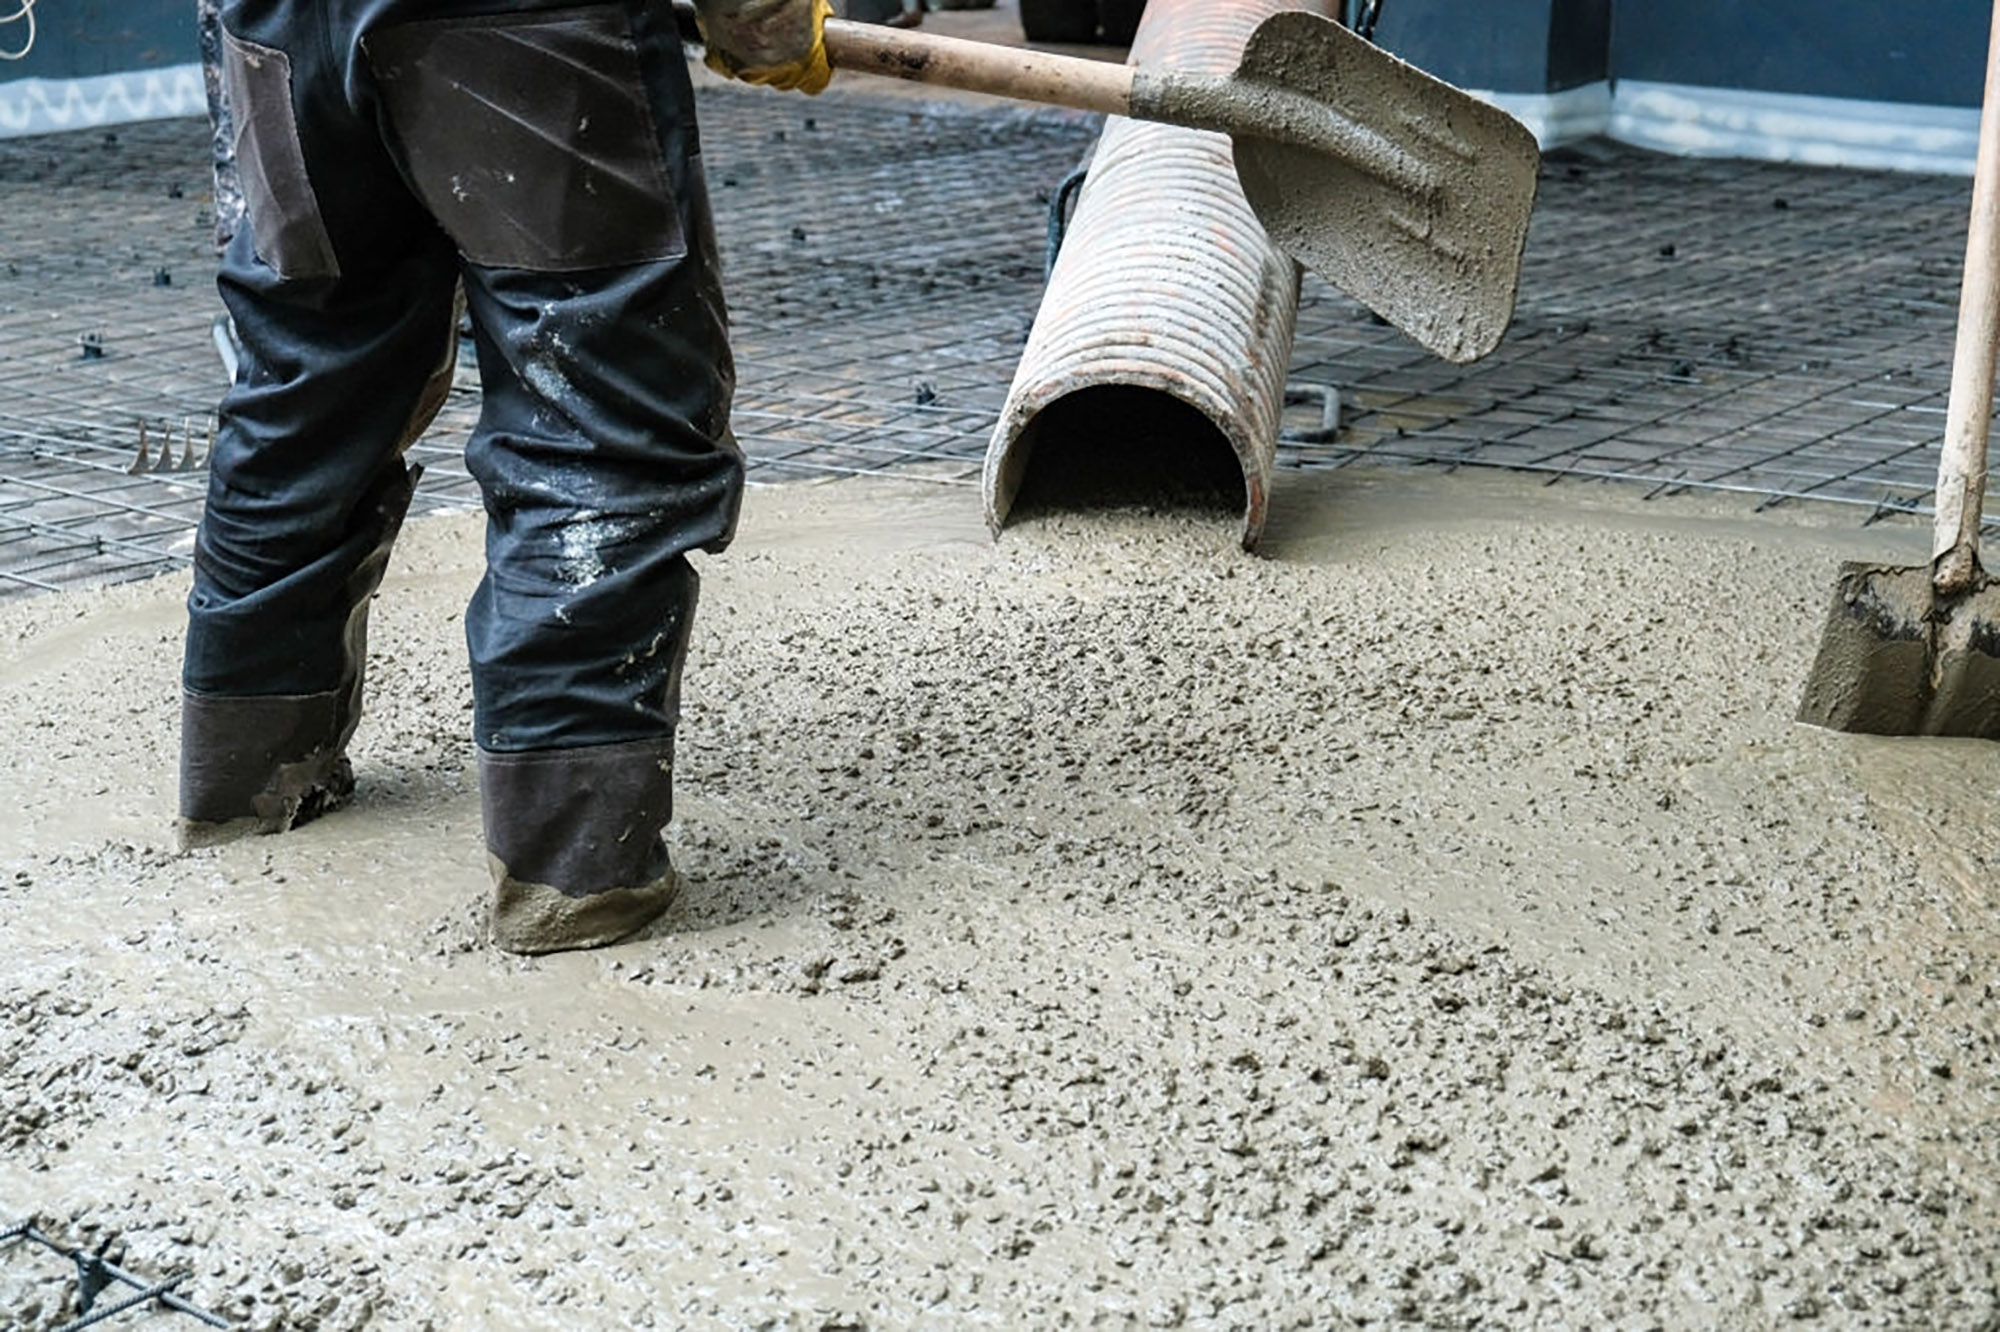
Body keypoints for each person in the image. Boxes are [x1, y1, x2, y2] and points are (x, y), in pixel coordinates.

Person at [177, 0, 833, 955]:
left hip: (275, 24)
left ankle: (243, 789)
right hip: (523, 23)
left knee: (307, 380)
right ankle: (573, 878)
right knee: (594, 410)